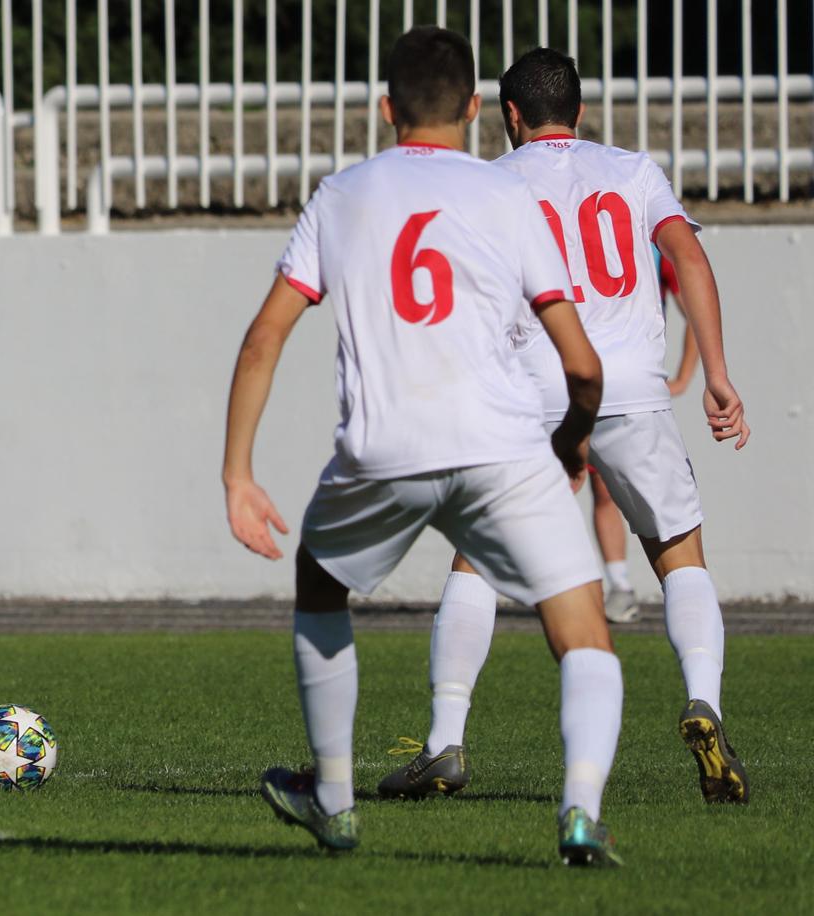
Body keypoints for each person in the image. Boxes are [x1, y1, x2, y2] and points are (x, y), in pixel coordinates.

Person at [223, 27, 624, 865]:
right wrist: (572, 440)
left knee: (319, 584)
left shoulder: (342, 195)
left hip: (384, 448)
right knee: (583, 629)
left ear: (385, 108)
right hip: (503, 447)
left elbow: (263, 339)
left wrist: (238, 474)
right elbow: (583, 365)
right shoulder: (507, 195)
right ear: (477, 109)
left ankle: (334, 800)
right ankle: (581, 811)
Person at [378, 47, 749, 810]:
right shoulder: (633, 172)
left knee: (476, 561)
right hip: (632, 387)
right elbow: (688, 256)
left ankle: (446, 739)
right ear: (579, 111)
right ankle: (703, 702)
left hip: (530, 391)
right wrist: (716, 373)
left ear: (509, 115)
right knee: (678, 554)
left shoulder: (488, 182)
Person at [595, 248, 699, 624]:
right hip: (588, 381)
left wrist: (685, 377)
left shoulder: (651, 243)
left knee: (609, 491)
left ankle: (619, 585)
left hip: (612, 385)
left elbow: (692, 305)